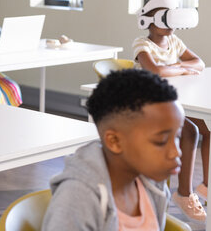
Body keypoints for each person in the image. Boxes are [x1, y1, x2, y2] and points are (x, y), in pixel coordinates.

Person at [43, 69, 183, 230]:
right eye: (161, 141)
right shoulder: (77, 198)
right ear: (115, 141)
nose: (176, 151)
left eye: (177, 137)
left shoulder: (153, 183)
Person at [133, 0, 207, 221]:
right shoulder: (142, 44)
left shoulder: (174, 42)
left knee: (208, 127)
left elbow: (200, 63)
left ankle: (206, 184)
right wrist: (181, 67)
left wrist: (174, 67)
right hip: (149, 105)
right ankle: (184, 193)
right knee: (190, 131)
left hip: (172, 100)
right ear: (149, 20)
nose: (170, 27)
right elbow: (154, 71)